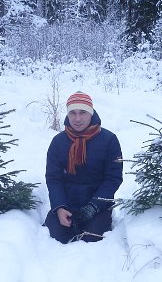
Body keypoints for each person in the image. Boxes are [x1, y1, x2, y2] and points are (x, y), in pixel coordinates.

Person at [44, 91, 123, 244]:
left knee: (91, 240)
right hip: (67, 204)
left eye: (83, 112)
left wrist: (94, 206)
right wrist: (59, 207)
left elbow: (113, 178)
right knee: (53, 238)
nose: (77, 118)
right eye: (73, 113)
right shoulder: (58, 142)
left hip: (97, 207)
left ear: (91, 113)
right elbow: (54, 178)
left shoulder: (109, 140)